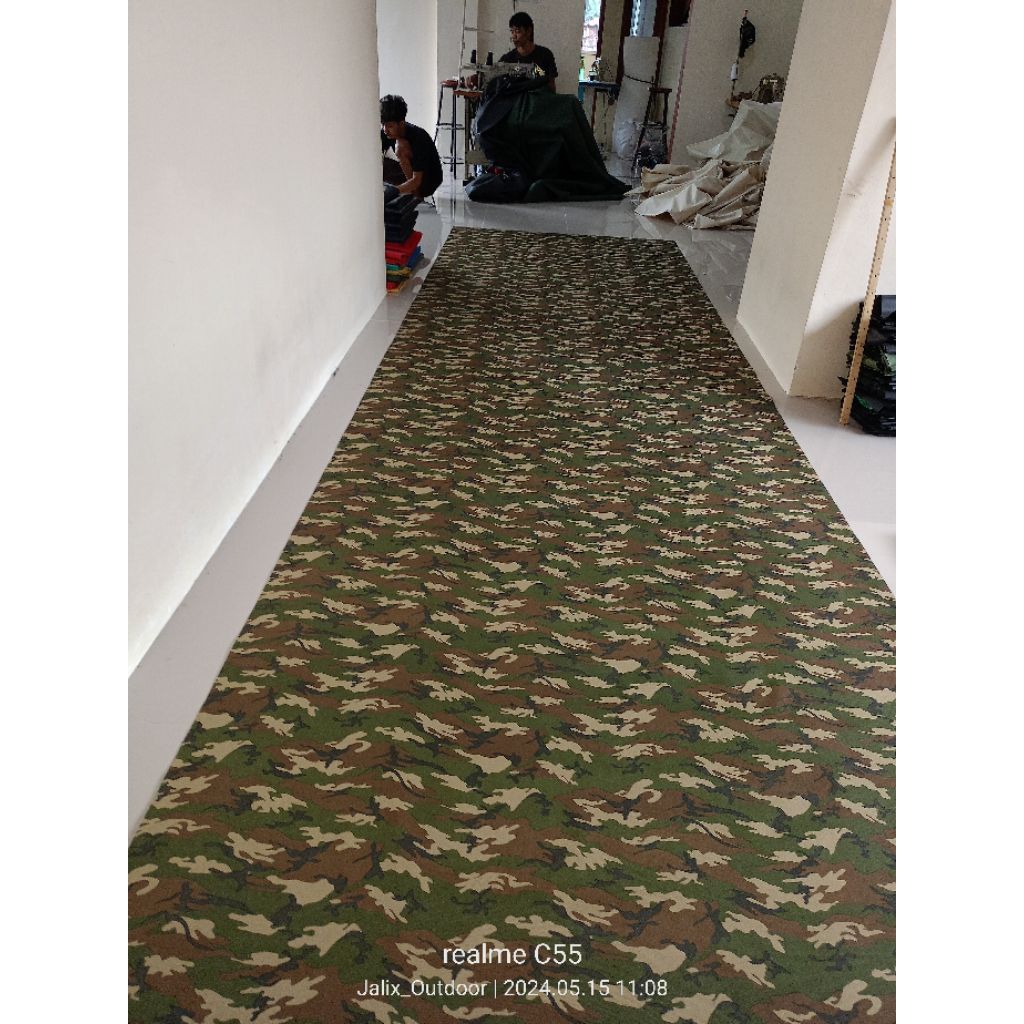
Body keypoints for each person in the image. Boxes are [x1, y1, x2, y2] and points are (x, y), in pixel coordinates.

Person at [380, 95, 443, 200]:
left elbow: (417, 180)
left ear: (401, 123)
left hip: (427, 180)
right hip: (409, 175)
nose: (385, 130)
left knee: (401, 147)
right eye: (383, 124)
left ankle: (416, 198)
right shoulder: (385, 132)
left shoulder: (419, 137)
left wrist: (391, 193)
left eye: (390, 126)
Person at [498, 12, 558, 92]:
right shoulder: (507, 59)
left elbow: (551, 87)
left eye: (517, 31)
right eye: (512, 32)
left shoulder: (545, 55)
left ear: (529, 31)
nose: (514, 36)